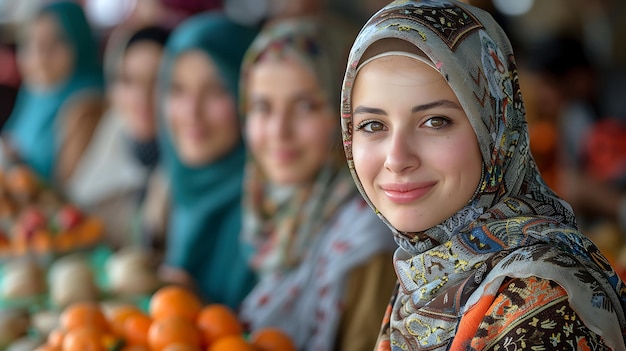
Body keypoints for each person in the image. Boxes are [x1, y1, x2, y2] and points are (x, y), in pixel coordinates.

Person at [339, 0, 626, 349]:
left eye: (435, 121)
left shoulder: (539, 306)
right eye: (373, 125)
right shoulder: (427, 269)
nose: (397, 159)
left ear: (495, 130)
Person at [238, 18, 397, 351]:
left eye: (306, 106)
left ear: (346, 112)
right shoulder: (265, 207)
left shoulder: (366, 239)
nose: (279, 131)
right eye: (262, 107)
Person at [156, 11, 258, 309]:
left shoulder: (268, 210)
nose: (191, 112)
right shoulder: (177, 184)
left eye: (216, 90)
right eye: (178, 90)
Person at [65, 25, 170, 249]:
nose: (141, 96)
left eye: (159, 82)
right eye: (129, 81)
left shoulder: (185, 167)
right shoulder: (114, 130)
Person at [1, 1, 104, 187]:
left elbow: (65, 193)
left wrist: (16, 166)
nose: (40, 55)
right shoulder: (37, 87)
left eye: (56, 42)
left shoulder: (86, 105)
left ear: (79, 42)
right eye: (30, 42)